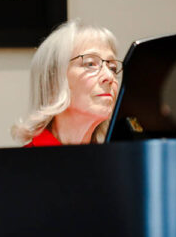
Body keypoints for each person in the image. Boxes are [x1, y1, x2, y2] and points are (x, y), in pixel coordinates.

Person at [12, 19, 121, 147]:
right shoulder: (25, 163)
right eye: (90, 64)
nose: (109, 76)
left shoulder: (117, 161)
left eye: (112, 67)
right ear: (53, 81)